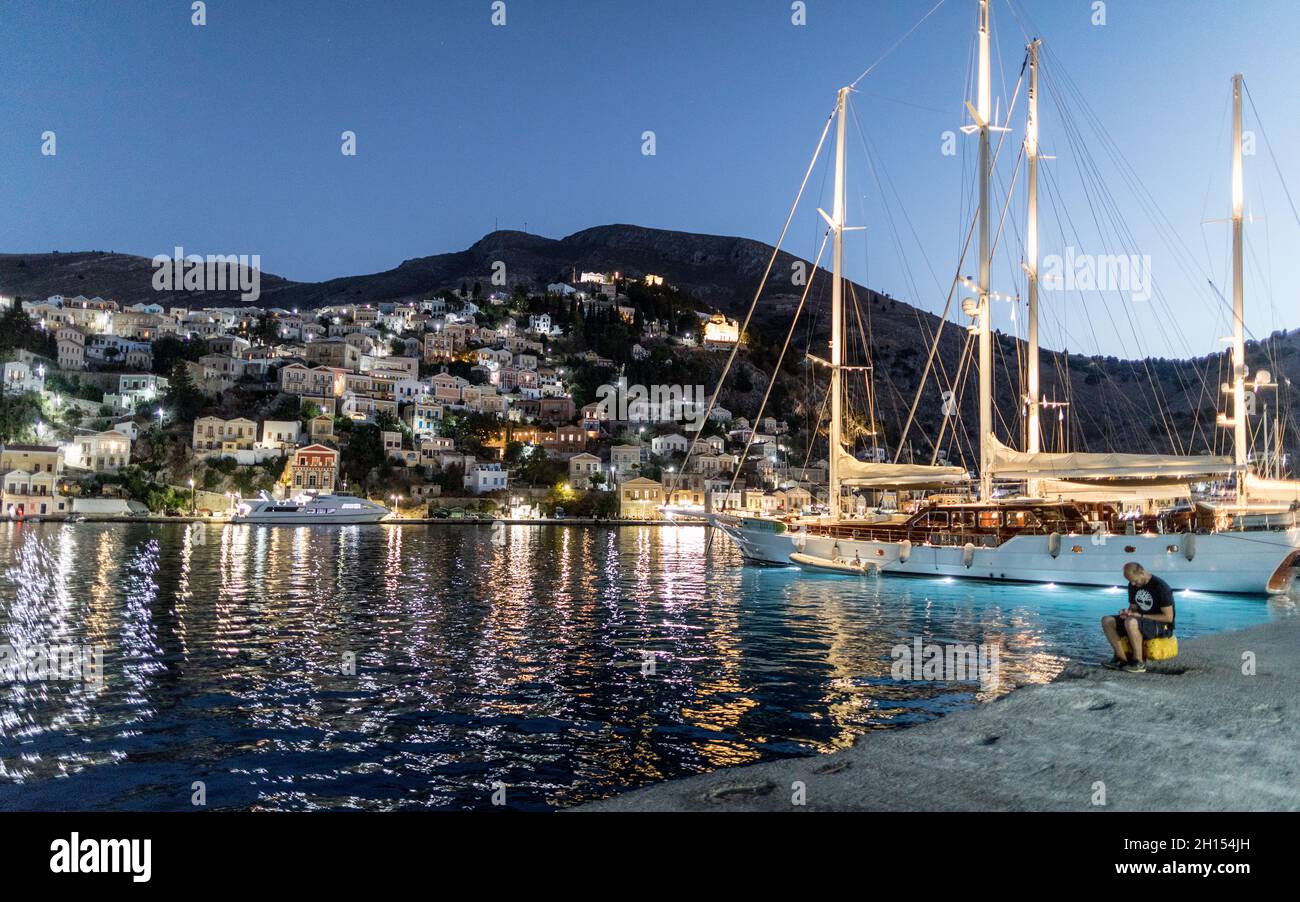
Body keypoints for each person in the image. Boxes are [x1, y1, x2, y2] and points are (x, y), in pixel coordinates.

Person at [1100, 562, 1176, 673]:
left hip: (1161, 625)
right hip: (1139, 620)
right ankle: (1122, 660)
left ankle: (1139, 662)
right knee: (1107, 620)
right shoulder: (1132, 585)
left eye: (1135, 580)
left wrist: (1140, 616)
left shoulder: (1160, 587)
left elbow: (1168, 618)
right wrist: (1127, 612)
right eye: (1130, 581)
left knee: (1131, 622)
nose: (1133, 584)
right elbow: (1133, 608)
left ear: (1142, 572)